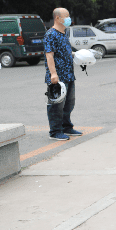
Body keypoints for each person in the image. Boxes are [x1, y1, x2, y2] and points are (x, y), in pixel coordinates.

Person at [44, 8, 81, 141]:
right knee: (56, 105)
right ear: (57, 18)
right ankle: (55, 131)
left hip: (69, 75)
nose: (69, 18)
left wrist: (79, 55)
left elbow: (65, 52)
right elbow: (49, 56)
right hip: (57, 77)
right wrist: (53, 74)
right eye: (66, 16)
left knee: (69, 104)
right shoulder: (51, 34)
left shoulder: (63, 33)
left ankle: (66, 126)